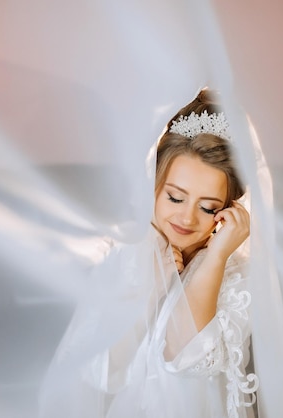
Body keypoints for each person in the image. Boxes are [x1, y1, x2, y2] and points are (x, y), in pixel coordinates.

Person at [39, 89, 258, 418]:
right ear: (152, 184)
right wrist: (150, 286)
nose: (187, 218)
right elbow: (100, 375)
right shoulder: (123, 255)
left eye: (208, 207)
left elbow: (185, 358)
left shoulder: (240, 276)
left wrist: (215, 258)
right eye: (174, 197)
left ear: (229, 208)